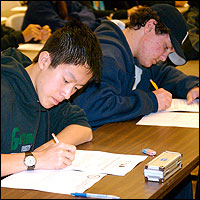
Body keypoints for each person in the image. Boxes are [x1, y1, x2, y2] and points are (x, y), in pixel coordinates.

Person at [71, 4, 199, 130]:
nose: (164, 58)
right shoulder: (108, 56)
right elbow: (93, 108)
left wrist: (191, 85)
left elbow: (163, 73)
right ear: (149, 26)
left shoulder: (136, 54)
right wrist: (151, 101)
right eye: (165, 47)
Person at [1, 19, 102, 177]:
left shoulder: (48, 97)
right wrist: (36, 159)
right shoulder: (5, 90)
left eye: (76, 88)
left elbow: (83, 128)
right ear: (44, 60)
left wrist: (46, 151)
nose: (67, 94)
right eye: (66, 81)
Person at [22, 1, 101, 33]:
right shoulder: (38, 4)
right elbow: (62, 27)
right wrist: (94, 23)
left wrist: (75, 18)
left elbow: (87, 11)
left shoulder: (63, 2)